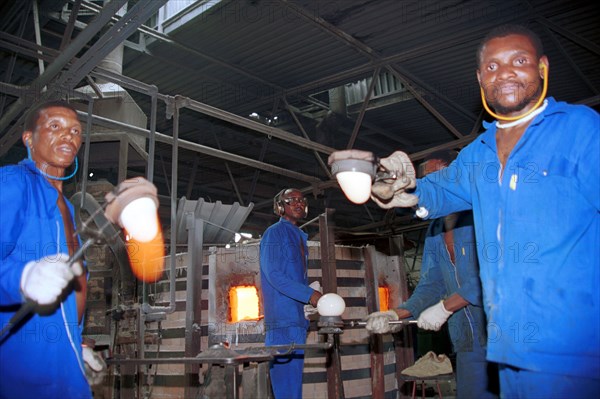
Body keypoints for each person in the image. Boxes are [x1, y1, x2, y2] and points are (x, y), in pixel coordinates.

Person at [364, 24, 599, 397]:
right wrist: (401, 187)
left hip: (573, 348)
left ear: (542, 67)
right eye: (491, 67)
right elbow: (435, 193)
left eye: (518, 61)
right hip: (506, 349)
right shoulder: (479, 152)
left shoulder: (579, 129)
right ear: (479, 78)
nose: (503, 72)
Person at [366, 150, 498, 398]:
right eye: (428, 178)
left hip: (501, 333)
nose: (435, 183)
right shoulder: (435, 231)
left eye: (443, 175)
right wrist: (396, 315)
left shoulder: (484, 217)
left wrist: (446, 307)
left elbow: (493, 276)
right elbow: (431, 284)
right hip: (467, 342)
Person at [0, 100, 94, 398]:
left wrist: (74, 344)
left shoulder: (67, 208)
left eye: (75, 131)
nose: (68, 136)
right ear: (29, 139)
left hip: (66, 370)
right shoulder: (13, 184)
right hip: (18, 374)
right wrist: (22, 278)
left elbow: (72, 289)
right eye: (55, 127)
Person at [259, 188, 322, 399]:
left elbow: (293, 276)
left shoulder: (299, 236)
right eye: (291, 200)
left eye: (301, 200)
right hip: (282, 323)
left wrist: (308, 296)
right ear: (280, 207)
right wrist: (310, 295)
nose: (298, 203)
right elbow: (274, 274)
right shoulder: (274, 233)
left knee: (293, 389)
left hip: (296, 321)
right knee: (286, 389)